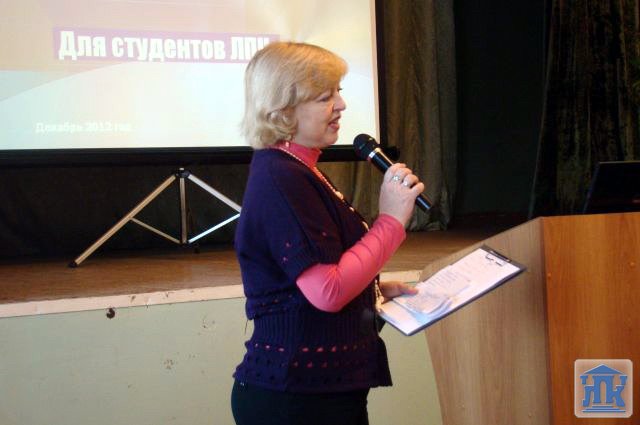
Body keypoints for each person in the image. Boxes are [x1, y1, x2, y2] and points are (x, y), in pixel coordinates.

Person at [231, 41, 425, 425]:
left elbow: (309, 283)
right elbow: (328, 291)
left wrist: (372, 291)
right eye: (325, 97)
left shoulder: (298, 169)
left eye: (339, 92)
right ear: (282, 110)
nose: (341, 105)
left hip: (317, 394)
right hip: (297, 400)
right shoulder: (281, 175)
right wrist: (390, 220)